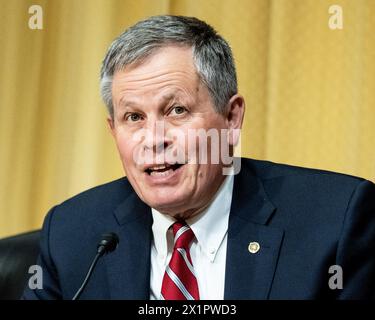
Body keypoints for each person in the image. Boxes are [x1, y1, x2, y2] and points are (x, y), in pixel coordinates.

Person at [22, 15, 375, 300]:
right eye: (134, 118)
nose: (154, 139)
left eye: (176, 110)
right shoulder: (72, 236)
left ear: (232, 117)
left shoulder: (334, 222)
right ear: (113, 129)